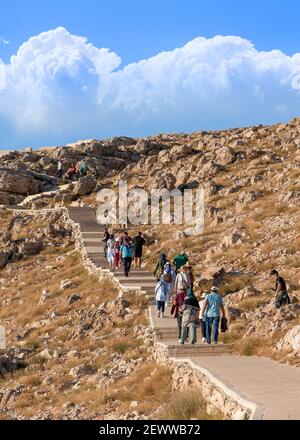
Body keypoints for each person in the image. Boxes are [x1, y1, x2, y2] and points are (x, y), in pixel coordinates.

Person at [172, 265, 191, 340]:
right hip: (181, 292)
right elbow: (177, 285)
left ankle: (183, 335)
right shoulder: (180, 275)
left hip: (183, 293)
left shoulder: (184, 275)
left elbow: (188, 285)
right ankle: (184, 335)